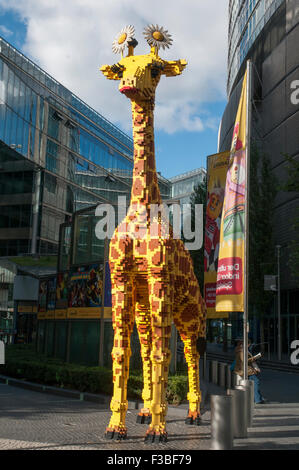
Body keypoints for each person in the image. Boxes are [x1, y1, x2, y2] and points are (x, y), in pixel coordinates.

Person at [233, 339, 266, 404]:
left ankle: (259, 398)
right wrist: (255, 357)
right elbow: (245, 361)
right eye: (248, 344)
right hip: (246, 370)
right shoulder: (242, 351)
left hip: (246, 370)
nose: (249, 345)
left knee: (254, 382)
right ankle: (258, 399)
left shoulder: (242, 350)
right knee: (256, 382)